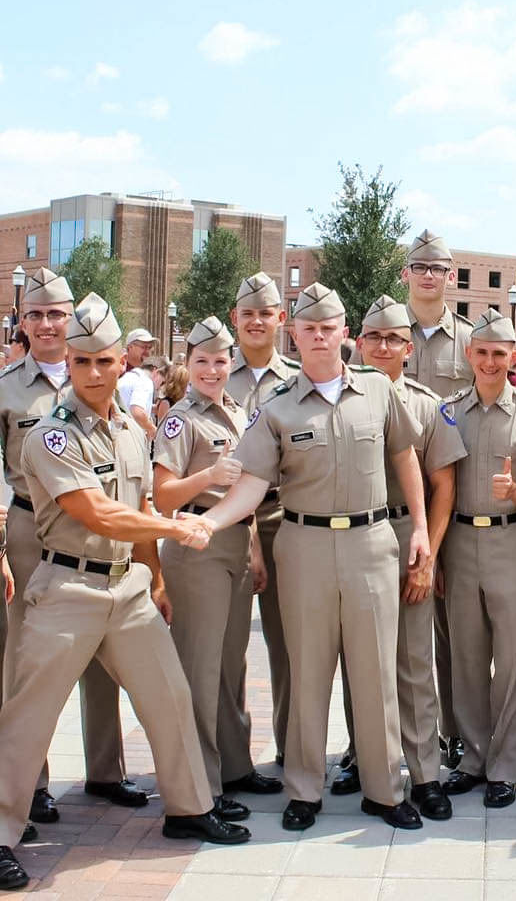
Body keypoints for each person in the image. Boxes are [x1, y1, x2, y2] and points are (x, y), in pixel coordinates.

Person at [0, 292, 250, 891]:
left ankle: (190, 809)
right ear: (71, 361)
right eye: (83, 361)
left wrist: (158, 578)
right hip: (67, 588)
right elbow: (99, 514)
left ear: (122, 366)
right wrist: (175, 527)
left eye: (104, 361)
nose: (92, 373)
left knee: (169, 700)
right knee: (27, 718)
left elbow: (137, 502)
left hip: (130, 590)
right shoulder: (52, 435)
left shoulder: (129, 430)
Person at [198, 282, 429, 832]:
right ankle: (303, 789)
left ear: (345, 334)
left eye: (330, 328)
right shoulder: (274, 408)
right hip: (302, 547)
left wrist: (418, 527)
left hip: (373, 542)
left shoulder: (377, 390)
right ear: (294, 335)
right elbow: (253, 485)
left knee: (375, 671)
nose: (320, 337)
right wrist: (208, 521)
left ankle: (385, 788)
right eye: (309, 329)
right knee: (308, 671)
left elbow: (406, 459)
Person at [0, 268, 134, 828]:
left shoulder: (104, 377)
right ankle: (30, 785)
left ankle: (106, 770)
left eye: (57, 313)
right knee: (28, 658)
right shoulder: (7, 389)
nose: (49, 324)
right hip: (31, 528)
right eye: (36, 314)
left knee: (105, 648)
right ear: (23, 322)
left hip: (100, 530)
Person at [344, 294, 465, 820]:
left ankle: (424, 772)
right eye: (374, 337)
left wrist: (428, 556)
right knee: (360, 659)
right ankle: (365, 758)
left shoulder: (424, 404)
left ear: (408, 348)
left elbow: (445, 486)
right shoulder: (338, 398)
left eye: (394, 338)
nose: (383, 347)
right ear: (359, 342)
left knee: (415, 660)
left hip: (404, 533)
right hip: (352, 536)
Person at [152, 316, 276, 825]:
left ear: (232, 364)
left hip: (234, 544)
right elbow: (161, 496)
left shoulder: (239, 410)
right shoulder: (181, 419)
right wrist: (207, 474)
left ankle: (235, 766)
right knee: (200, 671)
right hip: (195, 543)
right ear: (187, 364)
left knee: (231, 665)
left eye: (220, 360)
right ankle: (200, 781)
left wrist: (254, 549)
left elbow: (246, 493)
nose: (211, 369)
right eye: (201, 361)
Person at [439, 307, 516, 809]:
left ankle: (505, 765)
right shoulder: (447, 411)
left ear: (512, 357)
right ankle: (473, 759)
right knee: (465, 656)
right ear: (469, 354)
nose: (489, 360)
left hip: (511, 542)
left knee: (513, 659)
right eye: (481, 352)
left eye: (498, 353)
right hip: (460, 543)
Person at [401, 229, 473, 769]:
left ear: (451, 276)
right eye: (420, 267)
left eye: (440, 268)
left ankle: (449, 732)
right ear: (405, 274)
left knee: (453, 628)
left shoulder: (470, 341)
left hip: (454, 495)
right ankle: (373, 742)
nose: (430, 275)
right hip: (391, 501)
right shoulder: (385, 332)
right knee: (388, 627)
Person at [226, 271, 300, 772]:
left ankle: (293, 750)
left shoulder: (297, 379)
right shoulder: (210, 373)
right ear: (235, 318)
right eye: (247, 313)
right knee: (226, 648)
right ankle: (232, 761)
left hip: (280, 516)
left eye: (265, 313)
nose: (256, 321)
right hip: (224, 521)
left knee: (289, 642)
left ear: (281, 319)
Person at [117, 328, 159, 439]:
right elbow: (137, 412)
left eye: (150, 348)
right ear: (130, 347)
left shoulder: (136, 374)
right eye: (144, 347)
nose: (147, 352)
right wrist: (152, 429)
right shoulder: (119, 370)